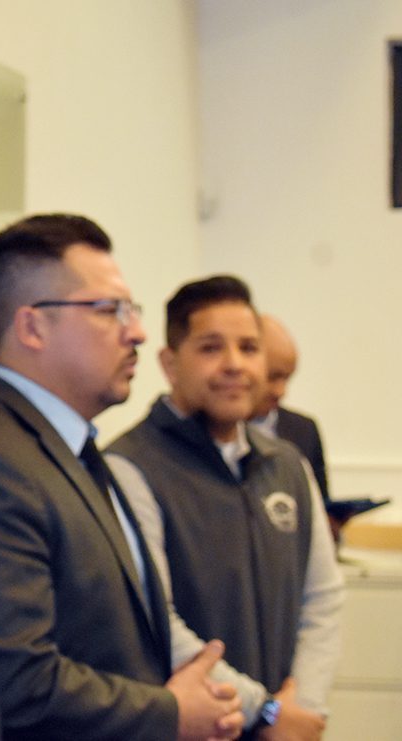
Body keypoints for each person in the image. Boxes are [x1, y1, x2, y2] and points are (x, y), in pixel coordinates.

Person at [0, 213, 244, 740]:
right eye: (109, 310)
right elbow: (20, 680)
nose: (137, 332)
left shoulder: (71, 447)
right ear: (32, 326)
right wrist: (169, 712)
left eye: (132, 311)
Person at [107, 276, 343, 740]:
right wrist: (263, 711)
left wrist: (301, 707)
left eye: (249, 348)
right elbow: (155, 620)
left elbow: (323, 598)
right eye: (211, 348)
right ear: (170, 363)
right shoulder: (129, 467)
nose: (235, 364)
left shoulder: (288, 466)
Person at [250, 314, 330, 503]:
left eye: (287, 378)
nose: (281, 391)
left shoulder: (304, 430)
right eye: (272, 377)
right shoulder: (210, 431)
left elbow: (320, 503)